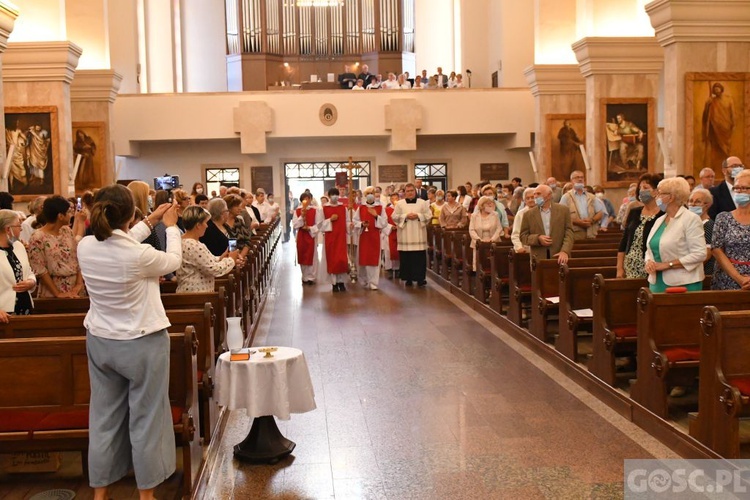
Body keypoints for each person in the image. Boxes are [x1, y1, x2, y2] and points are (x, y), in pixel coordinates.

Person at [77, 184, 180, 500]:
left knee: (104, 419)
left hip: (101, 341)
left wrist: (150, 220)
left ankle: (100, 494)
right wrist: (172, 227)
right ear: (129, 214)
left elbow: (120, 240)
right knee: (147, 418)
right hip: (142, 343)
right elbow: (173, 260)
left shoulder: (85, 247)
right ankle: (146, 495)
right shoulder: (141, 256)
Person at [644, 177, 706, 292]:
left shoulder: (690, 219)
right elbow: (650, 249)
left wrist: (667, 265)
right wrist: (648, 262)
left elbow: (700, 253)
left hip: (683, 284)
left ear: (671, 197)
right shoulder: (659, 220)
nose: (656, 197)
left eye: (660, 194)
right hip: (656, 282)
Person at [28, 195, 86, 297]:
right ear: (60, 216)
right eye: (68, 212)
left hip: (75, 288)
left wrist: (78, 284)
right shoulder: (37, 237)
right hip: (53, 290)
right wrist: (58, 293)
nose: (71, 215)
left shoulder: (67, 231)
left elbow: (77, 258)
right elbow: (40, 269)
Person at [177, 206, 238, 293]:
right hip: (195, 294)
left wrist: (221, 257)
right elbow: (214, 269)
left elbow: (204, 261)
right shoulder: (193, 245)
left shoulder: (183, 240)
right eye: (205, 223)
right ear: (198, 225)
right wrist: (231, 260)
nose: (206, 226)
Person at [617, 174, 663, 279]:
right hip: (630, 265)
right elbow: (624, 241)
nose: (641, 191)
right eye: (640, 188)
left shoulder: (663, 214)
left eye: (646, 188)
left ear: (656, 191)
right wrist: (619, 268)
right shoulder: (634, 212)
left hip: (652, 266)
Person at [711, 170, 750, 290]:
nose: (739, 191)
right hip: (727, 280)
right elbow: (716, 250)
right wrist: (740, 278)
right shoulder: (723, 217)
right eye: (736, 188)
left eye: (744, 188)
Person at [520, 184, 574, 264]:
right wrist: (537, 239)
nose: (535, 196)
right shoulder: (528, 214)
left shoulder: (563, 210)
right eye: (534, 194)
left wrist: (565, 251)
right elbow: (523, 236)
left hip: (559, 255)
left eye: (538, 194)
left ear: (549, 195)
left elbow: (569, 232)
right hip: (538, 258)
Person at [392, 183, 432, 287]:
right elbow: (394, 217)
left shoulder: (423, 203)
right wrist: (405, 216)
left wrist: (418, 216)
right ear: (404, 192)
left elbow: (428, 215)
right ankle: (408, 278)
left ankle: (420, 279)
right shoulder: (399, 204)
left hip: (418, 234)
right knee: (406, 258)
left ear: (415, 191)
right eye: (408, 191)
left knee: (419, 258)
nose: (410, 193)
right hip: (405, 235)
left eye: (412, 191)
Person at [0, 209, 35, 321]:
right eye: (18, 225)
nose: (21, 228)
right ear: (8, 229)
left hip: (24, 306)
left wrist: (31, 281)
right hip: (3, 312)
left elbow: (28, 272)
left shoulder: (19, 246)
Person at [353, 187, 387, 290]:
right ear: (365, 195)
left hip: (375, 236)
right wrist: (361, 224)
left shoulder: (380, 208)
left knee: (373, 259)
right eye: (368, 193)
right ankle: (364, 279)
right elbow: (355, 221)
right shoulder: (361, 208)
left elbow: (384, 222)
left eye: (372, 193)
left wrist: (376, 216)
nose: (370, 195)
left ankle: (373, 282)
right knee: (363, 258)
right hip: (364, 236)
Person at [317, 188, 349, 292]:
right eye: (333, 195)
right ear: (329, 196)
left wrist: (350, 226)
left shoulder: (343, 208)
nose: (335, 196)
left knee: (341, 259)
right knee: (332, 260)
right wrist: (330, 220)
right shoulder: (323, 209)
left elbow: (347, 221)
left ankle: (341, 282)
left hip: (341, 237)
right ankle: (334, 283)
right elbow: (320, 225)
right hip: (330, 238)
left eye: (337, 194)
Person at [559, 170, 604, 240]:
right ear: (571, 180)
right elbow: (561, 215)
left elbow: (600, 213)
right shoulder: (566, 197)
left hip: (591, 234)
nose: (580, 179)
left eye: (582, 177)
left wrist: (592, 220)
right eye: (577, 177)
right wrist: (577, 222)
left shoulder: (592, 197)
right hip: (574, 235)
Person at [702, 82, 735, 172]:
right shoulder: (711, 101)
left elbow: (732, 114)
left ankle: (730, 168)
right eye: (715, 88)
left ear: (721, 89)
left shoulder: (728, 100)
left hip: (725, 127)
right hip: (714, 127)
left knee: (726, 149)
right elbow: (705, 116)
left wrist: (732, 124)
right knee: (715, 149)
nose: (716, 90)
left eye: (718, 88)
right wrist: (707, 105)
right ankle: (715, 168)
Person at [687, 188, 715, 276]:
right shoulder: (688, 224)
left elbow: (707, 254)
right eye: (691, 201)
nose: (693, 204)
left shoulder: (708, 225)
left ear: (707, 205)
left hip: (703, 272)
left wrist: (691, 271)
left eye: (697, 201)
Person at [469, 197, 502, 271]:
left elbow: (499, 228)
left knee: (492, 264)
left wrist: (492, 239)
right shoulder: (474, 215)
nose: (490, 205)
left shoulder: (495, 214)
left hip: (493, 241)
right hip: (478, 242)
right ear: (482, 205)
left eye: (491, 203)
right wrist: (479, 240)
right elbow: (471, 230)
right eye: (488, 203)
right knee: (480, 264)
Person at [293, 192, 318, 284]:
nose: (306, 201)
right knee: (302, 255)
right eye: (304, 199)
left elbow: (318, 224)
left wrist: (310, 228)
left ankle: (311, 277)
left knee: (312, 256)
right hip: (301, 235)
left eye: (308, 198)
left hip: (311, 235)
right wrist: (302, 216)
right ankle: (304, 276)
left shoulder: (315, 210)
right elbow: (295, 225)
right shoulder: (297, 211)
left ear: (311, 199)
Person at [127, 180, 161, 250]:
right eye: (148, 194)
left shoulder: (147, 217)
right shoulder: (138, 222)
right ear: (141, 197)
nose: (151, 197)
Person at [223, 194, 252, 262]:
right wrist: (234, 259)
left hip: (242, 256)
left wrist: (241, 256)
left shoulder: (239, 221)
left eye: (240, 206)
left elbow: (247, 241)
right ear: (229, 207)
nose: (240, 208)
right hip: (227, 257)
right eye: (236, 206)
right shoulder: (223, 223)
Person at [511, 187, 536, 252]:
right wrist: (519, 247)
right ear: (524, 201)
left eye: (533, 197)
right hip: (524, 248)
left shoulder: (542, 211)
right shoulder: (520, 214)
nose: (530, 200)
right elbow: (515, 233)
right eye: (528, 198)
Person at [384, 192, 400, 278]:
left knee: (398, 250)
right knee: (389, 251)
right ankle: (389, 269)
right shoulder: (387, 210)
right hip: (390, 232)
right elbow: (383, 222)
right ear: (390, 200)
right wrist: (390, 227)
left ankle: (397, 269)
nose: (395, 200)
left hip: (399, 232)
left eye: (396, 198)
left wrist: (399, 226)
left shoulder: (401, 209)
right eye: (393, 199)